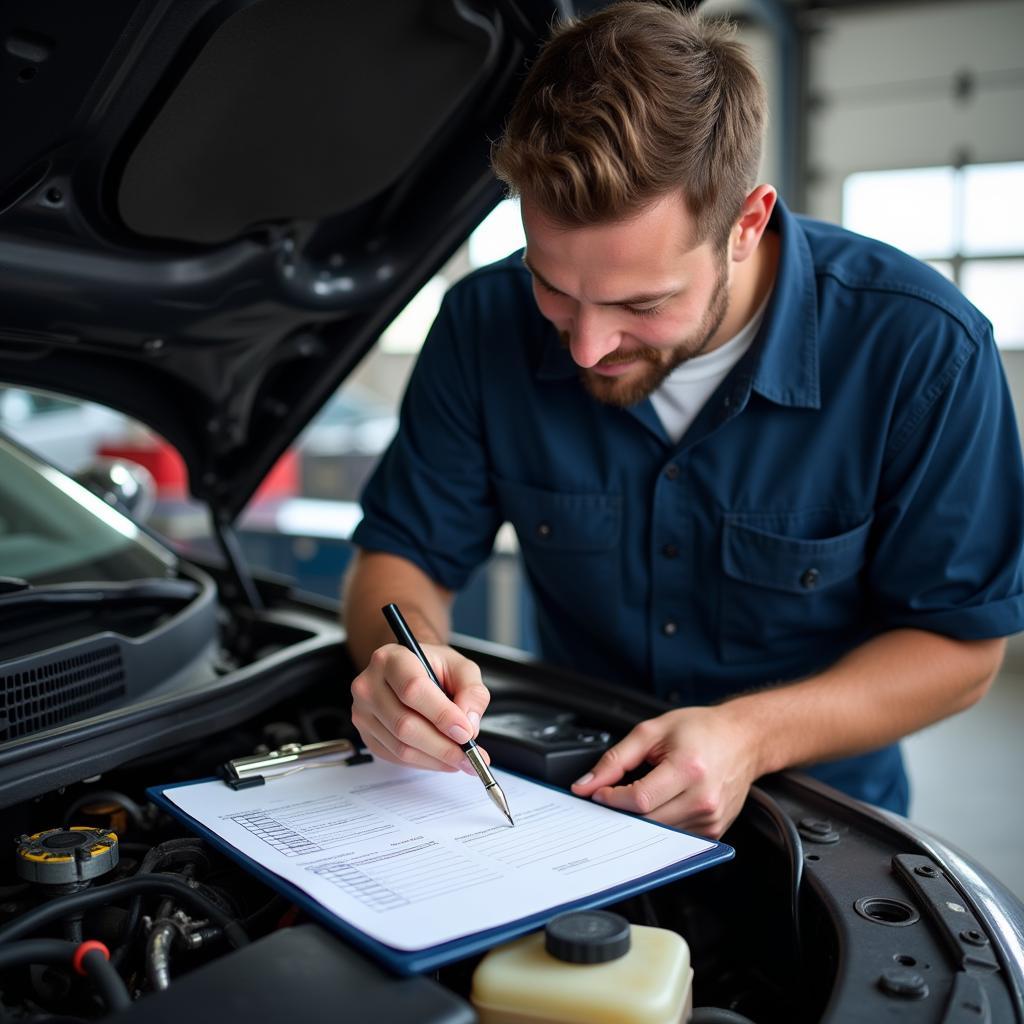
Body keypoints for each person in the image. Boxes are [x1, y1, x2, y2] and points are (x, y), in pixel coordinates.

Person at [342, 1, 1024, 838]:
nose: (588, 348)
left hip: (818, 826)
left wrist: (748, 734)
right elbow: (402, 554)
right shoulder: (481, 327)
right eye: (552, 287)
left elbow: (961, 651)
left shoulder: (923, 350)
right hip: (568, 808)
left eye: (642, 303)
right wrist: (402, 671)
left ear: (746, 224)